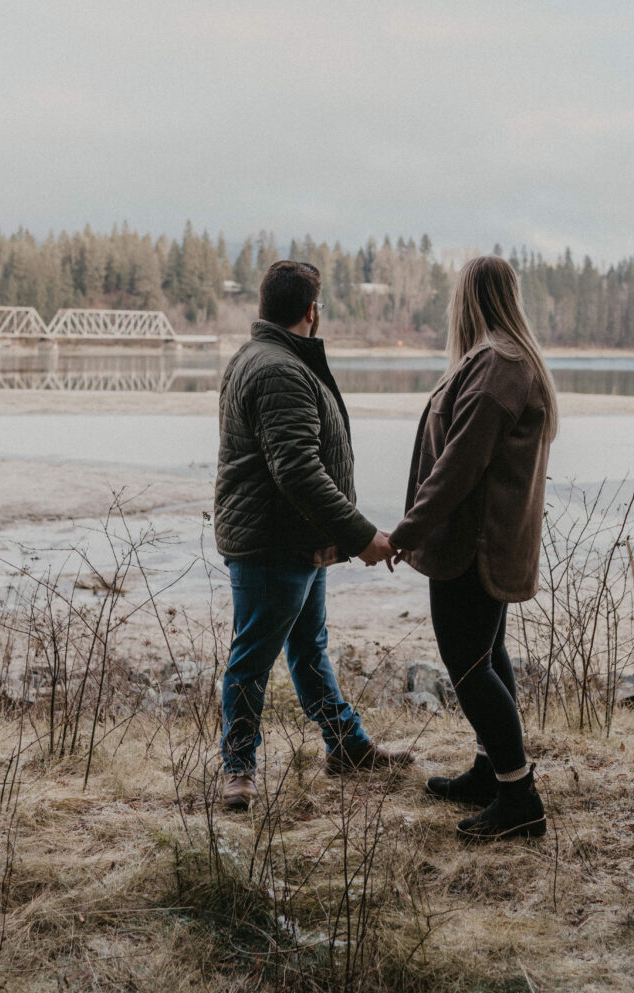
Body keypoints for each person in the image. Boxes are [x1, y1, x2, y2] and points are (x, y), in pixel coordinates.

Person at [214, 260, 413, 810]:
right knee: (252, 657)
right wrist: (360, 535)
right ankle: (238, 768)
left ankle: (346, 746)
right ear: (311, 311)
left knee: (307, 649)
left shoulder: (263, 358)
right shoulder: (278, 369)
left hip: (297, 541)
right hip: (274, 542)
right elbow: (297, 470)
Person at [389, 255, 558, 842]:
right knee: (488, 655)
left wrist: (404, 533)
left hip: (470, 546)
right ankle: (493, 773)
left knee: (467, 667)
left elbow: (457, 468)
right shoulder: (503, 361)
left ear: (468, 298)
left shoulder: (496, 365)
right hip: (482, 544)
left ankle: (519, 798)